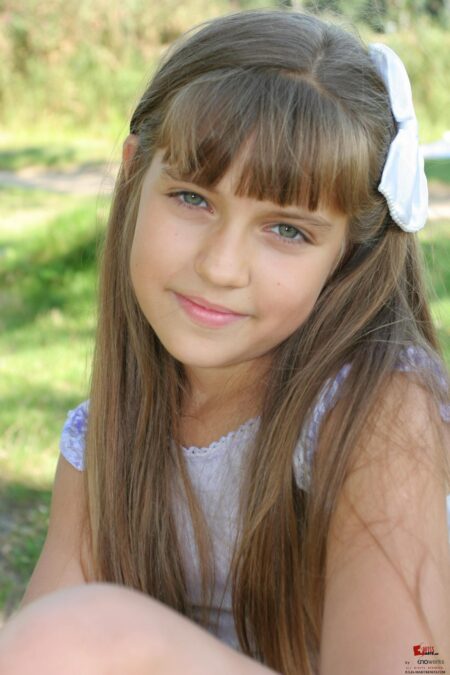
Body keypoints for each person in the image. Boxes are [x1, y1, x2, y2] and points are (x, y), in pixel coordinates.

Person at [0, 9, 449, 675]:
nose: (220, 266)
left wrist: (110, 639)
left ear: (347, 255)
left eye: (287, 230)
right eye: (193, 199)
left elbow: (417, 664)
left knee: (79, 632)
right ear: (133, 174)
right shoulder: (104, 437)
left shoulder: (373, 408)